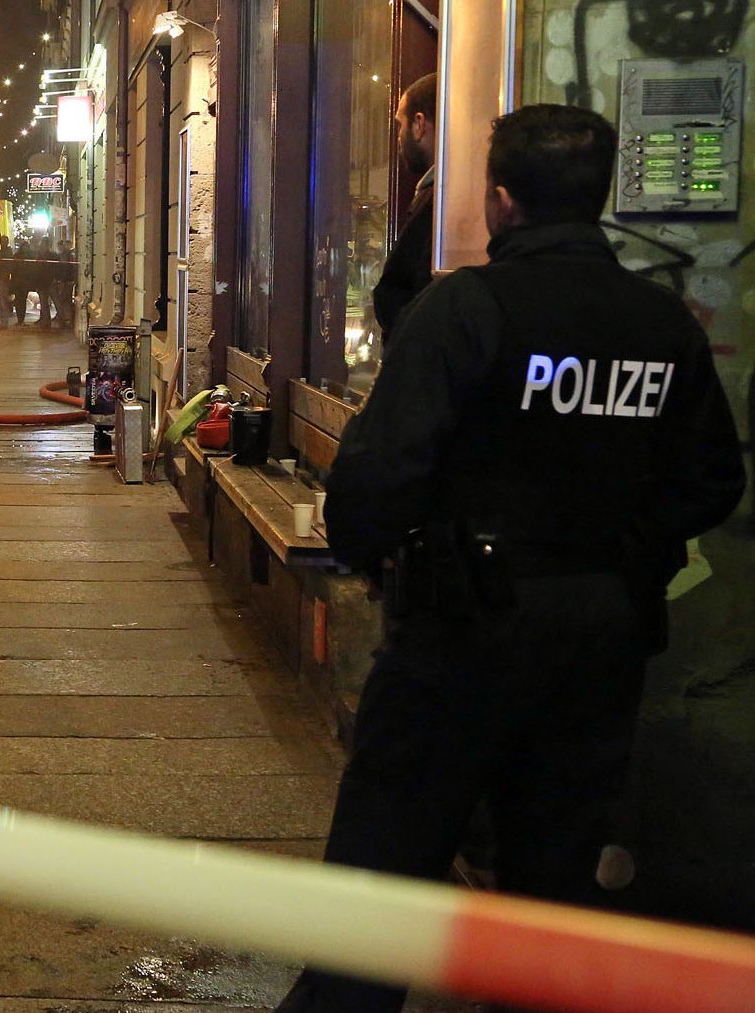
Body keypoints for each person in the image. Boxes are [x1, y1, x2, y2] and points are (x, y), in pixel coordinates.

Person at [275, 104, 746, 1013]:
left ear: (500, 201)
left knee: (381, 866)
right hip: (599, 636)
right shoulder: (661, 325)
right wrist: (626, 550)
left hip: (460, 630)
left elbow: (377, 476)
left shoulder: (467, 309)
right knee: (553, 879)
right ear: (598, 197)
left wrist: (377, 560)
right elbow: (712, 479)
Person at [373, 73, 437, 344]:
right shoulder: (434, 196)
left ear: (419, 124)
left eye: (400, 124)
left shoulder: (437, 203)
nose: (398, 137)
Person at [8, 240, 33, 326]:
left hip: (24, 282)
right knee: (19, 301)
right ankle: (20, 320)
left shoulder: (29, 256)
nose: (25, 248)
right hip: (18, 282)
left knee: (22, 301)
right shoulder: (17, 256)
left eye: (27, 247)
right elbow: (13, 269)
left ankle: (22, 319)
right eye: (24, 246)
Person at [0, 242, 16, 328]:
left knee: (3, 302)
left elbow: (6, 268)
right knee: (2, 301)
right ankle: (3, 321)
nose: (1, 243)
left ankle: (4, 322)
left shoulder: (7, 254)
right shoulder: (3, 253)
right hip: (0, 279)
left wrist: (2, 278)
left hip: (3, 280)